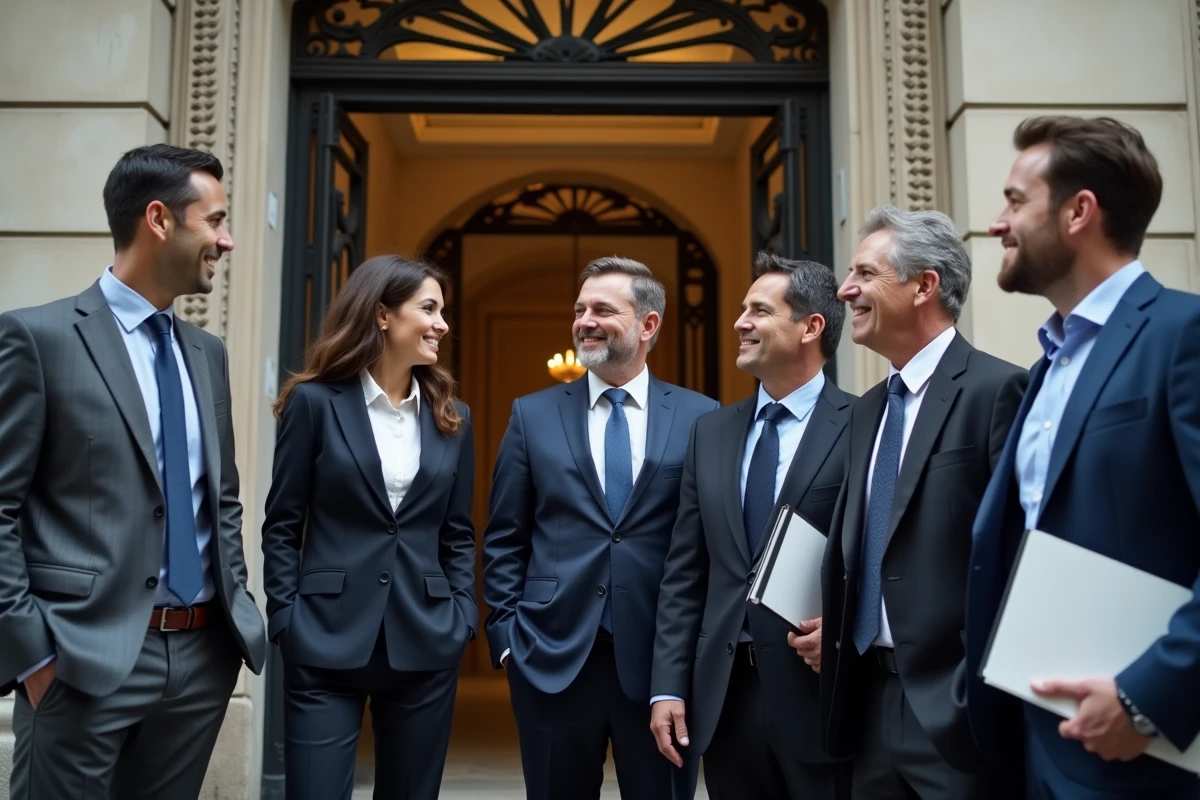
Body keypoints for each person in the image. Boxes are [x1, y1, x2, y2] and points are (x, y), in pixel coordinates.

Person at [0, 144, 267, 798]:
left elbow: (221, 501)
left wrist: (233, 623)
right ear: (158, 220)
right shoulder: (40, 339)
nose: (226, 241)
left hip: (200, 663)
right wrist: (33, 654)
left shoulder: (207, 354)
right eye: (215, 220)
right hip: (81, 663)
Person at [965, 115, 1200, 799]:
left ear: (1079, 212)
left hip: (1138, 754)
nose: (996, 223)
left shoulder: (1182, 336)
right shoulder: (1045, 368)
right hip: (1029, 742)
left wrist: (1146, 697)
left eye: (1014, 201)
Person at [483, 256, 719, 800]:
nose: (584, 320)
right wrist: (508, 640)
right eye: (579, 309)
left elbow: (711, 541)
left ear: (648, 325)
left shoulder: (700, 416)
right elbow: (504, 537)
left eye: (602, 309)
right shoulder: (531, 415)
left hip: (661, 668)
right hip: (550, 659)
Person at [818, 205, 1028, 799]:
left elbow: (1018, 557)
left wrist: (976, 695)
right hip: (865, 709)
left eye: (865, 272)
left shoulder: (998, 390)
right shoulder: (865, 410)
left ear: (924, 286)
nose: (844, 289)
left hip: (957, 716)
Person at [261, 255, 476, 800]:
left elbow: (456, 531)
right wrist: (287, 617)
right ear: (382, 315)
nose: (442, 324)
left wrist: (461, 616)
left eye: (443, 311)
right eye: (429, 308)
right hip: (324, 640)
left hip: (426, 639)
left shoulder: (454, 417)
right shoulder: (314, 403)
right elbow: (283, 522)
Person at [651, 253, 854, 800]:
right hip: (723, 699)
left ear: (811, 326)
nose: (740, 322)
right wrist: (667, 686)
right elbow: (685, 571)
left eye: (759, 311)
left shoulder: (865, 424)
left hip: (820, 694)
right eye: (742, 309)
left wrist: (842, 623)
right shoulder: (710, 432)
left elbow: (881, 553)